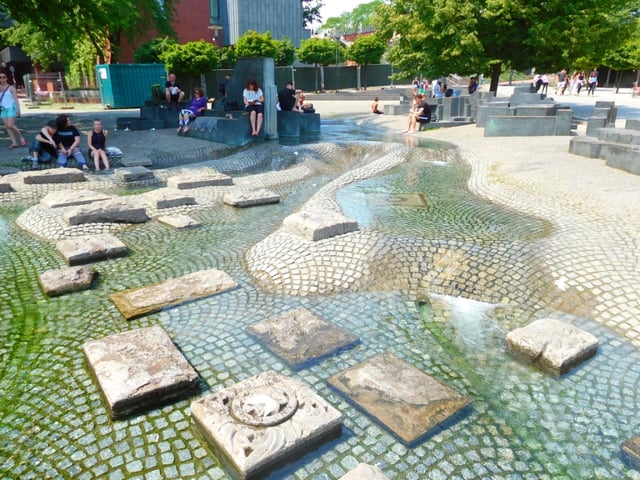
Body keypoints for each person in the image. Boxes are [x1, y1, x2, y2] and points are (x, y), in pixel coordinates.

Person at [0, 71, 27, 148]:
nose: (2, 79)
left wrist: (18, 109)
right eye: (0, 77)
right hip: (3, 108)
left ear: (6, 78)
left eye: (4, 77)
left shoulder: (11, 88)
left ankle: (21, 137)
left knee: (10, 125)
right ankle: (14, 142)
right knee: (7, 127)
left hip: (11, 107)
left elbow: (16, 99)